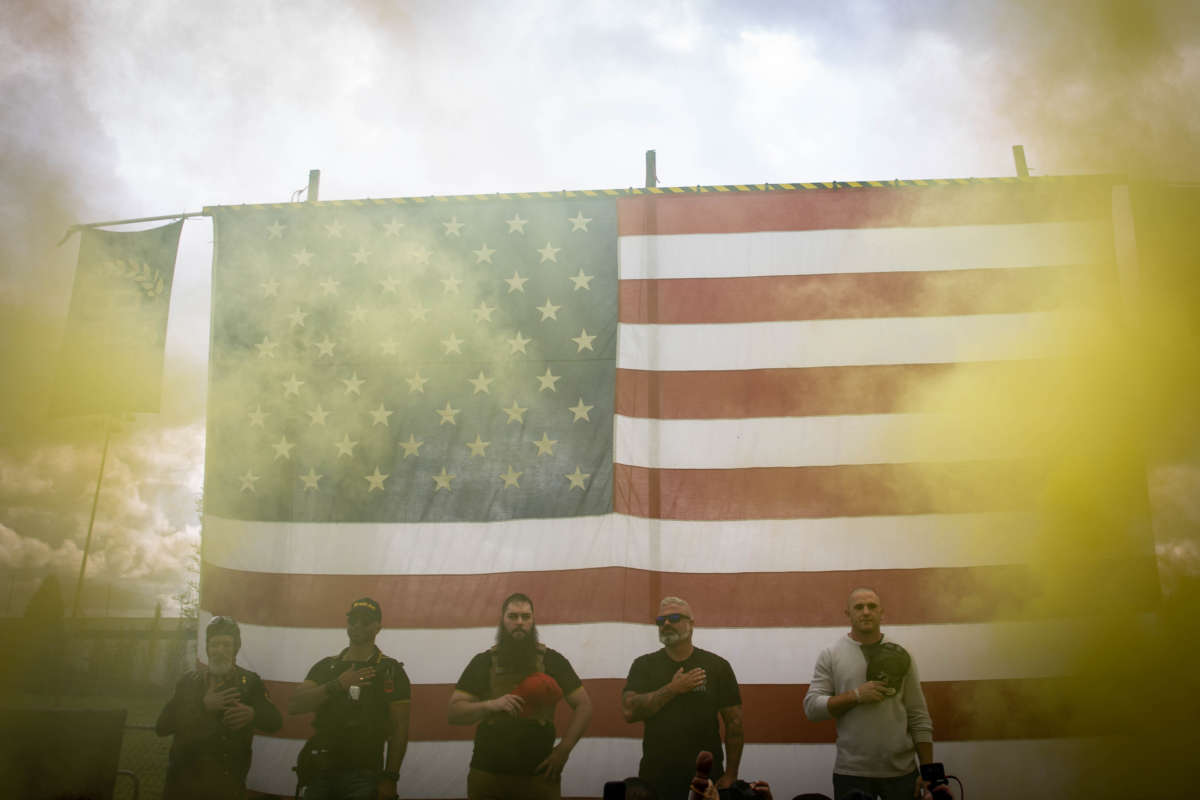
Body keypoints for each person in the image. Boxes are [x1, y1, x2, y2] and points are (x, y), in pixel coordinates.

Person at [448, 592, 593, 800]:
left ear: (533, 621)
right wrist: (491, 705)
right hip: (488, 776)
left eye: (525, 617)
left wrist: (563, 751)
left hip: (539, 776)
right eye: (513, 616)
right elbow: (453, 712)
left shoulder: (553, 660)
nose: (519, 622)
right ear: (502, 619)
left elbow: (584, 706)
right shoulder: (483, 662)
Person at [802, 587, 934, 800]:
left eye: (872, 606)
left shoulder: (902, 654)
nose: (865, 612)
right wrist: (856, 696)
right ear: (848, 613)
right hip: (852, 773)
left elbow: (918, 716)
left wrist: (929, 773)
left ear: (882, 612)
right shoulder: (831, 654)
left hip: (901, 773)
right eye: (859, 607)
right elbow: (812, 708)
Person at [621, 596, 744, 800]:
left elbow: (735, 723)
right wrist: (672, 689)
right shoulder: (644, 665)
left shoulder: (717, 666)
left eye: (674, 618)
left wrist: (731, 774)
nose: (666, 624)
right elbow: (629, 711)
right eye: (661, 621)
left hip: (705, 776)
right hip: (656, 778)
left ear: (691, 624)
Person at [288, 597, 411, 800]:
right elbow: (295, 705)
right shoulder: (327, 666)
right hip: (320, 768)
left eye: (366, 621)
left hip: (364, 773)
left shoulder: (390, 670)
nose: (357, 625)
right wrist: (337, 685)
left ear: (378, 627)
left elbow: (400, 729)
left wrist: (390, 778)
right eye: (353, 620)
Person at [155, 615, 282, 800]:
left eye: (226, 645)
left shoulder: (250, 683)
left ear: (235, 649)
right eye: (214, 645)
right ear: (207, 648)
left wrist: (253, 714)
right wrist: (203, 706)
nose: (219, 650)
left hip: (227, 784)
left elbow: (275, 722)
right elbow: (162, 726)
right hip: (183, 784)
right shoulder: (189, 682)